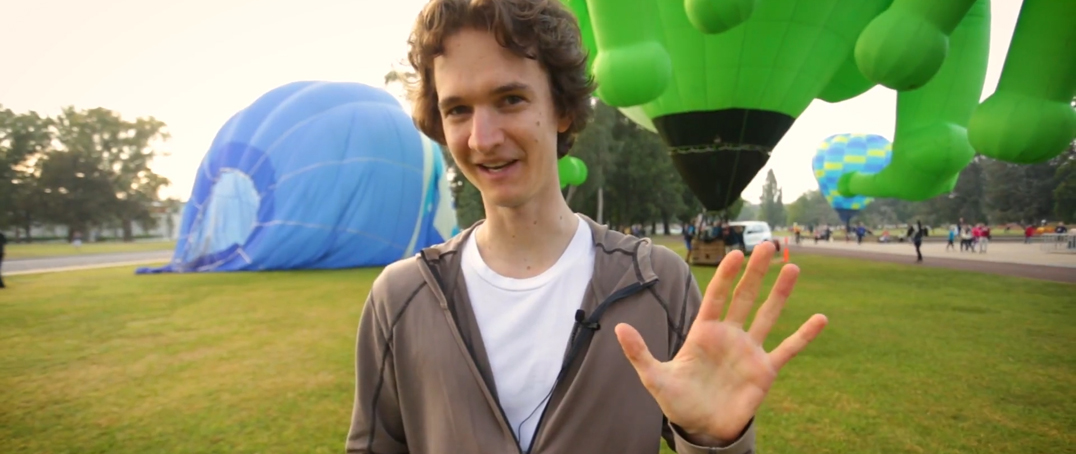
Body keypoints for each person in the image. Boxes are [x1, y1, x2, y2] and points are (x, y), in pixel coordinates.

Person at [344, 1, 828, 453]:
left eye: (510, 99)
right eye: (458, 110)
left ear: (565, 109)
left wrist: (712, 438)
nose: (483, 138)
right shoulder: (401, 297)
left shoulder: (657, 284)